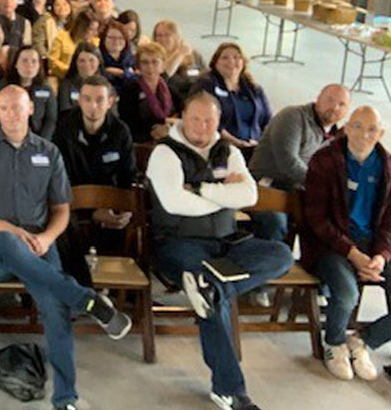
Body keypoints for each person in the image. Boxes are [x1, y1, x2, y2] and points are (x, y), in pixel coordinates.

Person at [0, 85, 132, 410]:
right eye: (5, 108)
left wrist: (49, 238)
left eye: (18, 108)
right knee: (11, 243)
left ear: (30, 110)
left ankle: (65, 398)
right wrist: (11, 230)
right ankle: (88, 299)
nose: (11, 114)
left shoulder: (49, 152)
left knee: (55, 307)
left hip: (39, 242)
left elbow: (62, 209)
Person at [146, 91, 293, 410]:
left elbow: (249, 196)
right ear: (183, 116)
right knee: (209, 287)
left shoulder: (227, 150)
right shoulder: (165, 153)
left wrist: (199, 189)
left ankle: (213, 290)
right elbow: (174, 203)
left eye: (209, 120)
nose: (201, 126)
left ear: (218, 121)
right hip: (179, 246)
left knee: (280, 255)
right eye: (196, 118)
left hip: (227, 244)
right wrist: (226, 193)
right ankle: (229, 389)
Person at [301, 106, 391, 382]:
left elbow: (389, 221)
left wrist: (381, 256)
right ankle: (335, 343)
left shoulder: (387, 166)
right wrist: (352, 254)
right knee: (347, 294)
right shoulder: (325, 160)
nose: (365, 134)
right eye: (358, 126)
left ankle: (364, 341)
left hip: (372, 245)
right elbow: (317, 220)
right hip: (330, 245)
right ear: (347, 127)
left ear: (381, 133)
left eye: (372, 129)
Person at [248, 84, 351, 242]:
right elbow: (288, 162)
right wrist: (322, 185)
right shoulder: (293, 116)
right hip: (266, 186)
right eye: (330, 100)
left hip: (299, 191)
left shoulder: (335, 136)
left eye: (342, 104)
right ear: (317, 99)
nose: (334, 107)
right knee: (275, 221)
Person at [54, 75, 135, 190]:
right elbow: (59, 175)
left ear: (110, 102)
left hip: (111, 200)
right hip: (73, 200)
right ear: (79, 101)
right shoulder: (64, 128)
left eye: (100, 100)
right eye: (87, 99)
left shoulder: (120, 131)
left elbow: (128, 175)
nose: (93, 106)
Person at [190, 43, 272, 156]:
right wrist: (236, 142)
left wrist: (261, 143)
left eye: (237, 57)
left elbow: (268, 121)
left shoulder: (254, 89)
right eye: (225, 57)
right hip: (221, 147)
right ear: (215, 63)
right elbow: (207, 121)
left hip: (256, 148)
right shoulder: (206, 85)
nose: (231, 61)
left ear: (243, 62)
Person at [118, 41, 178, 145]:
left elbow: (183, 113)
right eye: (145, 62)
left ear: (163, 66)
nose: (150, 67)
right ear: (139, 66)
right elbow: (128, 125)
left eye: (155, 62)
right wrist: (156, 131)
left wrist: (169, 126)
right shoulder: (129, 91)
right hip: (141, 144)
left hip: (170, 140)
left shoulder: (170, 89)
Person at [8, 46, 57, 140]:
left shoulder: (47, 90)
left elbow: (50, 120)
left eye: (34, 61)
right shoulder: (5, 87)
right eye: (24, 60)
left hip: (39, 139)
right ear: (16, 64)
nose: (29, 65)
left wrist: (42, 143)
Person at [153, 19, 206, 102]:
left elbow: (205, 74)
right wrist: (179, 54)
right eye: (159, 35)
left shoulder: (193, 55)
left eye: (167, 35)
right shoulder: (154, 58)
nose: (162, 39)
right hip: (172, 100)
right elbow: (163, 76)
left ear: (176, 36)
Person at [58, 43, 104, 114]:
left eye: (91, 60)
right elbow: (65, 114)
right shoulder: (66, 86)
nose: (87, 64)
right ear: (75, 63)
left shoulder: (107, 86)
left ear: (99, 62)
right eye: (82, 61)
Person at [99, 21, 135, 94]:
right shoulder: (97, 58)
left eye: (120, 38)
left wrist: (121, 73)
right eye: (111, 37)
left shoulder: (131, 59)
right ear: (104, 39)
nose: (116, 41)